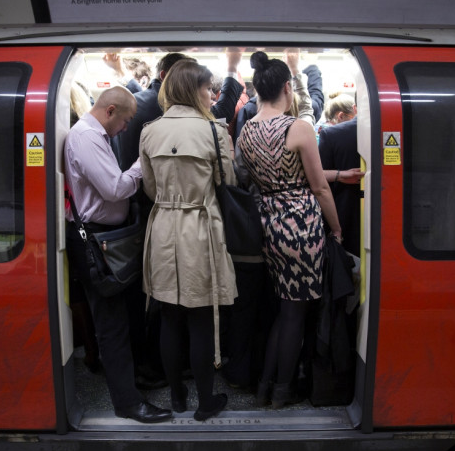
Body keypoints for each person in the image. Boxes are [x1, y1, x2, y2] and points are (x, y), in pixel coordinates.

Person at [237, 51, 342, 409]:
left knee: (285, 310)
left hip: (269, 225)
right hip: (301, 227)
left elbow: (253, 178)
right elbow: (317, 187)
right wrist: (338, 230)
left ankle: (267, 386)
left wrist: (339, 174)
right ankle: (282, 390)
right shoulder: (298, 126)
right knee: (295, 313)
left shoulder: (247, 131)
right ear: (287, 87)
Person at [64, 85, 172, 423]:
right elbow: (115, 188)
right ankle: (127, 403)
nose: (126, 128)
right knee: (111, 325)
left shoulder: (94, 134)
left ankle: (133, 384)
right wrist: (143, 162)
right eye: (124, 120)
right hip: (96, 240)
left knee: (121, 318)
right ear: (110, 111)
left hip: (106, 235)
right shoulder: (86, 138)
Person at [139, 60, 237, 421]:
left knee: (168, 316)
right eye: (208, 88)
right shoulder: (215, 130)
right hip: (200, 226)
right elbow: (227, 181)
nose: (212, 95)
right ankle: (205, 401)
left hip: (163, 225)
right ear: (193, 90)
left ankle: (177, 397)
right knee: (200, 317)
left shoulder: (150, 130)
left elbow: (149, 187)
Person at [318, 100, 365, 257]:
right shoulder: (403, 131)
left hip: (343, 217)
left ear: (356, 108)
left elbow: (318, 179)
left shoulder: (332, 135)